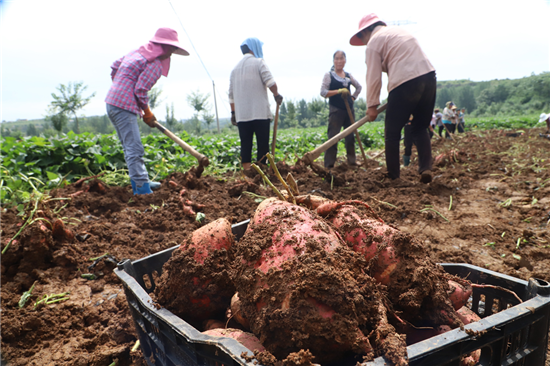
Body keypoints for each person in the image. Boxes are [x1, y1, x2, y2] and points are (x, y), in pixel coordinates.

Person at [350, 13, 436, 183]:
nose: (364, 42)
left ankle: (393, 177)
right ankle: (426, 168)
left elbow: (373, 76)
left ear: (365, 32)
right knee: (420, 127)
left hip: (405, 82)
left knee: (392, 132)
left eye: (362, 37)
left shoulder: (373, 42)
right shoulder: (397, 32)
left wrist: (372, 105)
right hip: (428, 76)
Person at [105, 28, 189, 195]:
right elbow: (141, 90)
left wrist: (121, 85)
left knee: (129, 146)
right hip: (123, 106)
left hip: (112, 102)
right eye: (171, 49)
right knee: (134, 147)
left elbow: (115, 66)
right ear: (163, 47)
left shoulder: (136, 53)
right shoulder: (154, 64)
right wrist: (147, 112)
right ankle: (142, 189)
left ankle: (140, 180)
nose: (171, 54)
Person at [229, 38, 283, 170]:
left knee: (246, 144)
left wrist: (233, 113)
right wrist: (276, 95)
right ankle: (262, 171)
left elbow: (231, 95)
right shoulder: (259, 63)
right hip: (260, 114)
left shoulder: (234, 69)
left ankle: (247, 172)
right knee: (262, 144)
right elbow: (271, 83)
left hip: (242, 115)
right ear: (253, 48)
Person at [319, 50, 363, 168]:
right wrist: (338, 91)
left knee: (350, 137)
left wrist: (353, 97)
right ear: (334, 61)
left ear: (345, 61)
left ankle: (352, 161)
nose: (339, 61)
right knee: (333, 137)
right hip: (336, 110)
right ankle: (329, 165)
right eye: (336, 59)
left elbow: (359, 87)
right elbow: (323, 92)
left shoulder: (348, 76)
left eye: (341, 58)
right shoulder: (329, 75)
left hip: (349, 110)